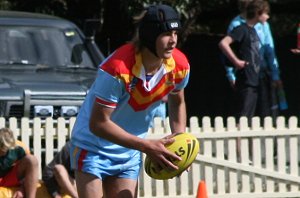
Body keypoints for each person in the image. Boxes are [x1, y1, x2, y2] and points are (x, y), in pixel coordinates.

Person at [70, 4, 190, 198]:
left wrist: (179, 140)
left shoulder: (180, 66)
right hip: (92, 147)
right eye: (167, 34)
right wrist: (145, 146)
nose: (173, 41)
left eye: (176, 33)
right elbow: (99, 123)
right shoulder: (117, 69)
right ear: (150, 35)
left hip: (129, 150)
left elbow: (177, 101)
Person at [221, 0, 284, 121]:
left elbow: (269, 50)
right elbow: (225, 44)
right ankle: (239, 140)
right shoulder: (238, 27)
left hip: (260, 75)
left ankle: (253, 140)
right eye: (265, 13)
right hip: (246, 76)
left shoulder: (258, 28)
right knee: (244, 114)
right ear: (257, 12)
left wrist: (275, 75)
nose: (268, 16)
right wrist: (234, 67)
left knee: (265, 114)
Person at [0, 127, 39, 198]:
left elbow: (27, 173)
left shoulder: (18, 150)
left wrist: (22, 189)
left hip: (9, 178)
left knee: (31, 159)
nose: (2, 151)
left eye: (4, 148)